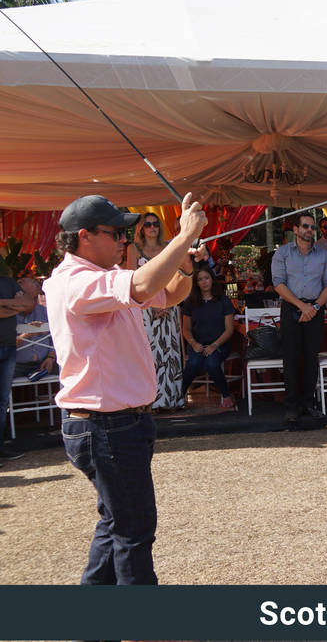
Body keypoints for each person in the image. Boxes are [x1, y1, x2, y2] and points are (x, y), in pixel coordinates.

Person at [45, 192, 207, 585]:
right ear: (84, 236)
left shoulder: (103, 279)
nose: (125, 239)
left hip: (119, 425)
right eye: (116, 232)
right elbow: (140, 286)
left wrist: (183, 268)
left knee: (116, 524)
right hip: (106, 426)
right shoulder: (75, 283)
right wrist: (182, 238)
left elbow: (167, 295)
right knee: (133, 531)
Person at [272, 212, 327, 425]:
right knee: (290, 358)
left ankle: (309, 403)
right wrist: (301, 306)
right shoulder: (282, 253)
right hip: (292, 308)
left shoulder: (323, 255)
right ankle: (291, 407)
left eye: (312, 227)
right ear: (296, 230)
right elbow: (278, 283)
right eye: (305, 226)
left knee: (311, 358)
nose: (309, 230)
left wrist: (314, 307)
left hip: (315, 309)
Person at [125, 212, 185, 410]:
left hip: (168, 301)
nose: (152, 227)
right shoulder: (133, 249)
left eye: (156, 224)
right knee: (149, 352)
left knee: (170, 350)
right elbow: (131, 280)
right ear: (141, 228)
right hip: (145, 307)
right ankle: (151, 400)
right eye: (148, 224)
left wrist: (165, 303)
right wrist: (153, 303)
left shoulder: (167, 247)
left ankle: (172, 398)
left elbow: (174, 276)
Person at [181, 266, 237, 411]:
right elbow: (186, 329)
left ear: (212, 279)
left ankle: (226, 395)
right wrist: (193, 344)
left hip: (220, 343)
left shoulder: (223, 300)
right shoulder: (190, 303)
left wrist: (215, 345)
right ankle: (179, 396)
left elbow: (230, 329)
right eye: (200, 279)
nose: (204, 282)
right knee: (193, 363)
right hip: (196, 344)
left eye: (207, 278)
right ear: (196, 283)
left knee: (211, 363)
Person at [0, 273, 35, 462]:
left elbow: (29, 304)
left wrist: (4, 304)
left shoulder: (7, 281)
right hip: (7, 346)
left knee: (2, 402)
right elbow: (22, 305)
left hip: (9, 346)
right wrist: (14, 304)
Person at [14, 277, 57, 379]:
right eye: (33, 282)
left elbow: (56, 338)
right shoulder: (7, 315)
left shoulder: (45, 311)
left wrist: (50, 357)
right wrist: (27, 335)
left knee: (71, 371)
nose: (37, 284)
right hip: (16, 366)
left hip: (45, 361)